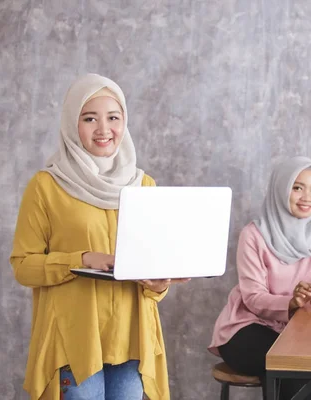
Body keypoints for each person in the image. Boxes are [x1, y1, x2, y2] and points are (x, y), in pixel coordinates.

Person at [10, 73, 185, 400]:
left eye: (113, 118)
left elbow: (151, 275)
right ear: (70, 123)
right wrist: (81, 260)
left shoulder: (144, 186)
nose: (104, 129)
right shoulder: (47, 186)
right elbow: (23, 266)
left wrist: (159, 285)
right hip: (75, 341)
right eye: (89, 118)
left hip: (131, 338)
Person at [208, 156, 311, 400]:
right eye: (297, 187)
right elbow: (253, 297)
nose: (307, 197)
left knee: (305, 359)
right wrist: (290, 302)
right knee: (290, 363)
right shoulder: (253, 235)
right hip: (247, 327)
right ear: (281, 189)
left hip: (300, 329)